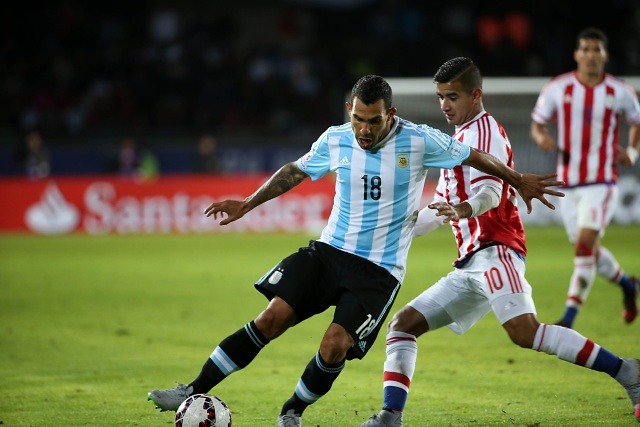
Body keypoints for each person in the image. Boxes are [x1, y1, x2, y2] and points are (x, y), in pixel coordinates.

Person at [147, 74, 564, 427]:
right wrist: (247, 204)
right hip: (329, 253)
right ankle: (192, 389)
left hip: (378, 272)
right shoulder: (336, 139)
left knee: (334, 345)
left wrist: (516, 178)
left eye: (374, 121)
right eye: (359, 119)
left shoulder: (421, 141)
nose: (364, 130)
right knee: (271, 317)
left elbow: (476, 155)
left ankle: (293, 410)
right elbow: (294, 170)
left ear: (391, 115)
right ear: (350, 110)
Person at [356, 57, 640, 427]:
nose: (444, 105)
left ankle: (627, 372)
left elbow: (491, 193)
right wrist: (391, 230)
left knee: (525, 331)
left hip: (496, 250)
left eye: (452, 96)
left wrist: (461, 210)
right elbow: (437, 211)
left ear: (476, 95)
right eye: (440, 97)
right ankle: (391, 417)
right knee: (403, 325)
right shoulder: (458, 139)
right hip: (470, 263)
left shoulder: (483, 132)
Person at [530, 27, 640, 329]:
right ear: (577, 54)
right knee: (587, 248)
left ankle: (568, 317)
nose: (591, 55)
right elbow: (537, 124)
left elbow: (636, 121)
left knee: (584, 246)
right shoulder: (558, 88)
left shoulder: (619, 91)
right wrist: (541, 138)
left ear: (605, 55)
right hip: (567, 183)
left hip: (601, 182)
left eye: (597, 50)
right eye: (586, 49)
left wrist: (632, 149)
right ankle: (628, 286)